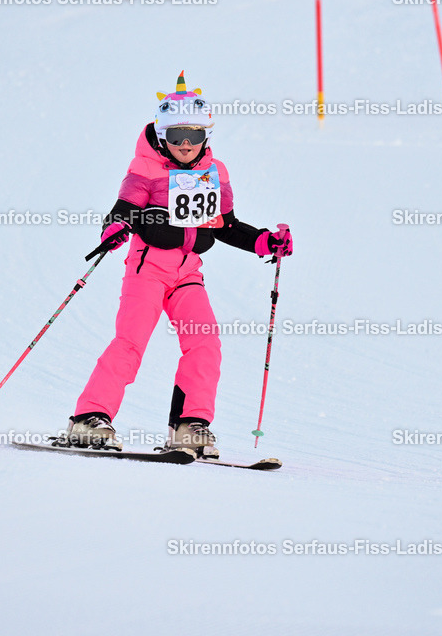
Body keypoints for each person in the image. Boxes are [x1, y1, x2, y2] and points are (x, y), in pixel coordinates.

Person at [67, 72, 293, 457]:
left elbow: (225, 225)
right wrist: (116, 228)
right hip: (147, 267)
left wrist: (264, 241)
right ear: (162, 135)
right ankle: (88, 418)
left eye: (193, 135)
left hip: (188, 272)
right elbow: (122, 211)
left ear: (206, 135)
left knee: (205, 342)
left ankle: (189, 426)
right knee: (131, 342)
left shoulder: (215, 173)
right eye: (175, 136)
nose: (185, 144)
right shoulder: (146, 168)